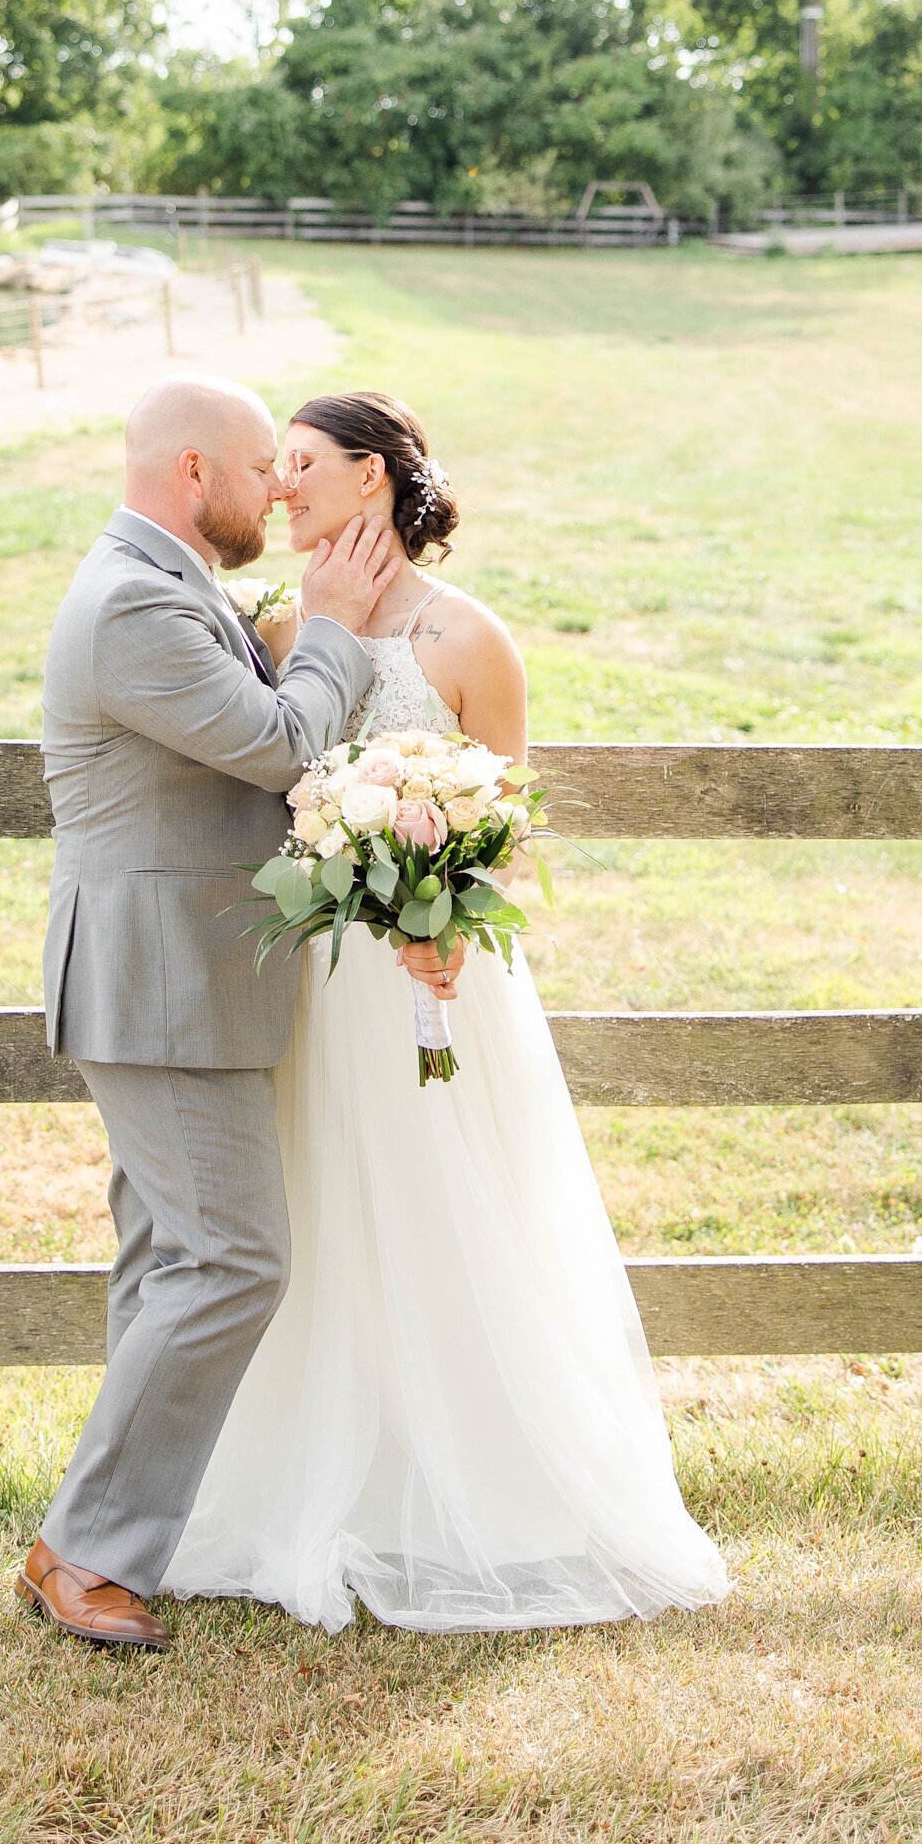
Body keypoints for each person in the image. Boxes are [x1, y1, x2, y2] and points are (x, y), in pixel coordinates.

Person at [162, 390, 730, 1632]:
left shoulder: (471, 641)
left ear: (371, 478)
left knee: (452, 1214)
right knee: (312, 1219)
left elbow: (508, 832)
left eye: (302, 466)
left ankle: (483, 1490)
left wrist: (444, 921)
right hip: (309, 982)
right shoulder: (272, 623)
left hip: (438, 983)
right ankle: (314, 1483)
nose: (278, 490)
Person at [18, 374, 459, 1650]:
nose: (279, 488)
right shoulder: (130, 609)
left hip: (180, 981)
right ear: (194, 472)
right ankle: (84, 1550)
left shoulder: (169, 586)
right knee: (233, 1261)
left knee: (168, 1262)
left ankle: (144, 1532)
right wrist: (326, 624)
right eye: (262, 465)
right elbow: (280, 746)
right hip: (157, 983)